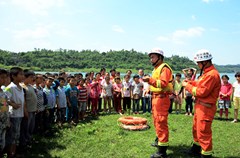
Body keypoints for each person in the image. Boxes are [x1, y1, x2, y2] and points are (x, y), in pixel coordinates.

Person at [182, 49, 221, 158]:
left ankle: (206, 155)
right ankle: (196, 149)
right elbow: (199, 84)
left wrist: (187, 86)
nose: (198, 65)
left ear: (205, 62)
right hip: (200, 107)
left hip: (206, 108)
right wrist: (190, 82)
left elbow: (201, 91)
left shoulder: (211, 75)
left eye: (198, 63)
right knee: (196, 129)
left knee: (203, 132)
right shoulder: (207, 73)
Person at [142, 48, 173, 158]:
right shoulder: (156, 69)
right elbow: (157, 84)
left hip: (161, 99)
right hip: (156, 98)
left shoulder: (164, 68)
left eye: (153, 57)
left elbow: (163, 84)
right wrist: (149, 89)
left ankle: (162, 152)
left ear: (160, 58)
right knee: (156, 121)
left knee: (160, 122)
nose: (151, 59)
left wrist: (149, 80)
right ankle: (158, 140)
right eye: (150, 57)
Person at [5, 67, 25, 157]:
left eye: (23, 74)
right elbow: (4, 99)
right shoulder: (10, 87)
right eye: (20, 74)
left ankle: (14, 153)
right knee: (12, 136)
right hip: (13, 115)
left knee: (16, 135)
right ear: (13, 76)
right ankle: (10, 154)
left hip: (20, 114)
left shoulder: (20, 86)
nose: (23, 76)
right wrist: (13, 104)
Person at [20, 70, 37, 148]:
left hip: (33, 110)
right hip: (27, 111)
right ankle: (24, 143)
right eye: (31, 77)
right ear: (25, 77)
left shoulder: (30, 86)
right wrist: (25, 111)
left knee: (31, 127)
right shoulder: (22, 86)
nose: (32, 79)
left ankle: (29, 139)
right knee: (25, 128)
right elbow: (24, 100)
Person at [0, 69, 10, 157]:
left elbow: (4, 108)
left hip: (3, 123)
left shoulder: (3, 93)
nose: (5, 80)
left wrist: (7, 120)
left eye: (5, 77)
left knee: (2, 144)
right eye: (2, 78)